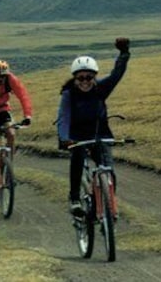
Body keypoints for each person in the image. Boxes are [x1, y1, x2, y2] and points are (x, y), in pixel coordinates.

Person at [56, 38, 131, 216]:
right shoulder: (69, 94)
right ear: (74, 78)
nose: (85, 81)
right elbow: (63, 118)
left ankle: (108, 206)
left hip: (100, 133)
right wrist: (65, 138)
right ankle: (74, 198)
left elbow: (117, 74)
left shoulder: (101, 89)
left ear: (94, 77)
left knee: (108, 170)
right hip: (76, 136)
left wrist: (124, 54)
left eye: (89, 77)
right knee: (77, 159)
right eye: (80, 77)